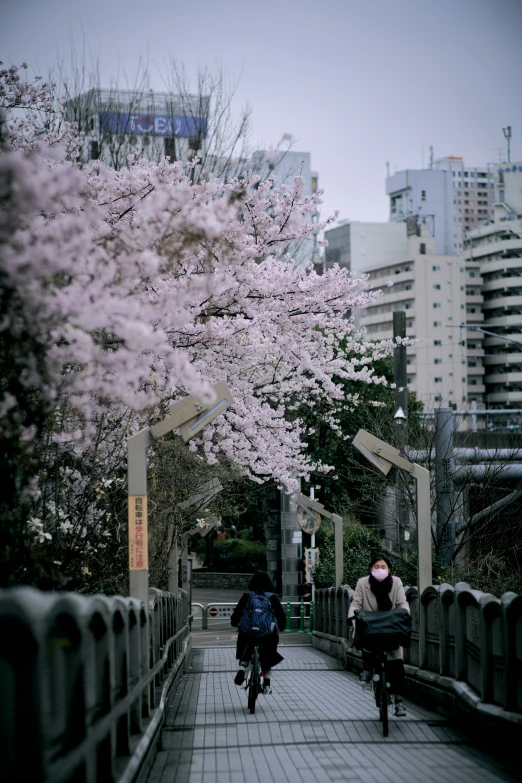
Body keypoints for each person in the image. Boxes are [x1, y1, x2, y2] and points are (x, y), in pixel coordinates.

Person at [348, 552, 409, 717]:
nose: (380, 570)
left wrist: (404, 614)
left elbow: (402, 603)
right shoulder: (363, 583)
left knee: (397, 664)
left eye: (383, 567)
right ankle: (366, 669)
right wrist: (353, 616)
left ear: (389, 569)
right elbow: (356, 603)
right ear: (370, 569)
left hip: (390, 626)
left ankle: (399, 702)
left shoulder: (396, 582)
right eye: (377, 567)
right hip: (371, 626)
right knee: (365, 640)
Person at [231, 570, 286, 694]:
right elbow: (280, 615)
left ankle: (242, 666)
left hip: (248, 632)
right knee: (267, 653)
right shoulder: (272, 597)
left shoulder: (247, 596)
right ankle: (267, 684)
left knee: (248, 642)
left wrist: (235, 623)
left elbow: (237, 613)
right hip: (267, 633)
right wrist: (281, 626)